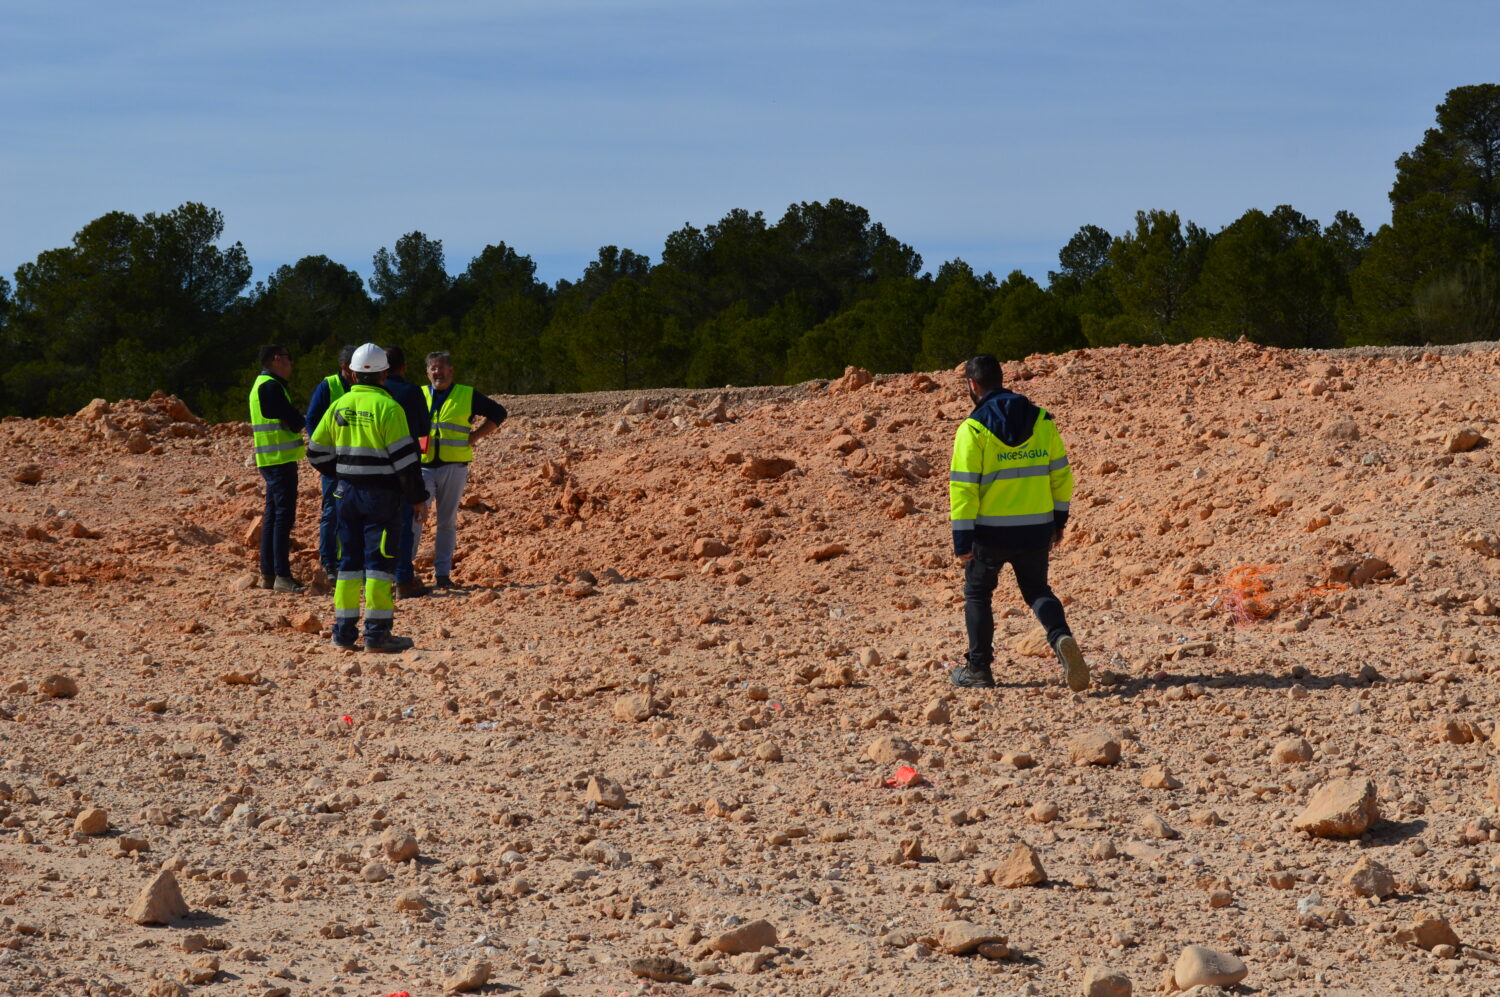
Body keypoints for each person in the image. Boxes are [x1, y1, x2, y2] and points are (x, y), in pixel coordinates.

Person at [948, 354, 1089, 692]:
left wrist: (962, 541)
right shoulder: (1042, 420)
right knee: (1037, 590)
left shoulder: (973, 429)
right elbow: (1062, 477)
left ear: (972, 385)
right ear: (1002, 378)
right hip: (1036, 529)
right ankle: (1061, 637)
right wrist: (1059, 521)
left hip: (989, 533)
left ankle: (979, 670)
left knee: (978, 592)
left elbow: (963, 488)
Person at [307, 344, 429, 652]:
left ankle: (344, 632)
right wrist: (417, 497)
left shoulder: (339, 405)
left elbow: (316, 452)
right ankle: (376, 634)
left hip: (345, 493)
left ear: (353, 373)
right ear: (384, 375)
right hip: (382, 496)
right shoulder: (389, 408)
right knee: (379, 563)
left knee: (348, 563)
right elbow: (405, 462)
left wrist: (343, 473)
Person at [417, 351, 508, 589]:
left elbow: (499, 413)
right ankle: (405, 573)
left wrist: (475, 436)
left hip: (453, 467)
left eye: (441, 368)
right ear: (427, 372)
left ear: (451, 370)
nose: (437, 372)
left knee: (446, 522)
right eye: (433, 368)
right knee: (416, 518)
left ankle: (443, 575)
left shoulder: (466, 394)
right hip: (423, 466)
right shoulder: (418, 394)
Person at [248, 345, 306, 592]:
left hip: (270, 459)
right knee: (282, 518)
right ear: (277, 359)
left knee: (272, 517)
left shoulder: (261, 385)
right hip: (279, 460)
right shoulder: (271, 386)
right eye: (289, 358)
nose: (291, 364)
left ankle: (269, 574)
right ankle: (282, 576)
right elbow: (293, 421)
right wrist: (298, 419)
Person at [379, 345, 432, 599]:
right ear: (404, 367)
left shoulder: (373, 392)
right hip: (405, 464)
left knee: (375, 526)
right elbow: (424, 427)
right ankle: (403, 580)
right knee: (403, 524)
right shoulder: (411, 391)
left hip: (373, 466)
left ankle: (378, 580)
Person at [305, 345, 356, 582]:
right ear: (343, 367)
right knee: (331, 511)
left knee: (356, 510)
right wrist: (323, 452)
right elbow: (313, 420)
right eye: (350, 369)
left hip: (359, 460)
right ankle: (329, 561)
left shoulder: (363, 386)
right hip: (334, 461)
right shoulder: (328, 386)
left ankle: (351, 558)